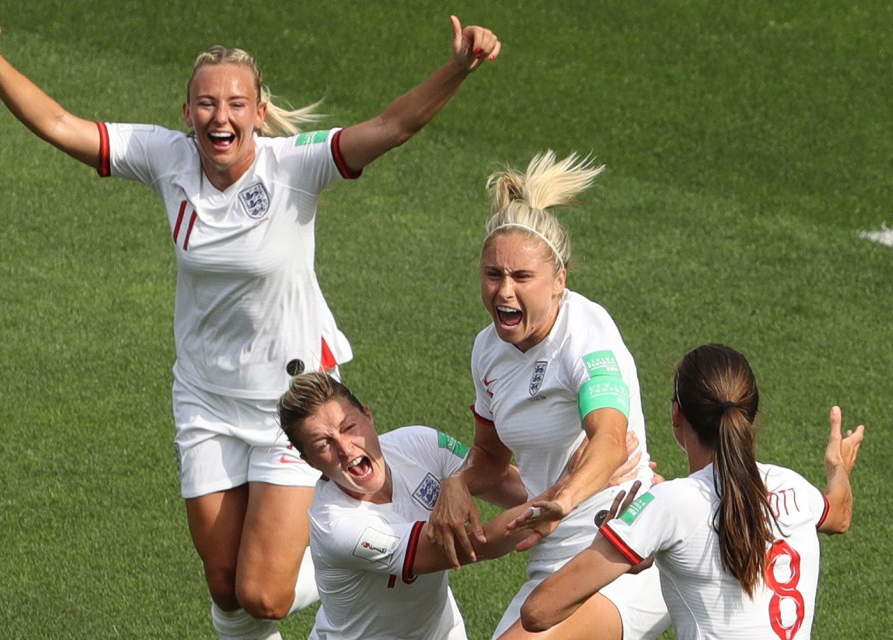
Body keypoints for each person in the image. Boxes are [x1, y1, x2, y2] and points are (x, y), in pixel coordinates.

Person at [0, 5, 501, 639]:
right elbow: (58, 123)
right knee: (224, 587)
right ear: (187, 114)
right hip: (204, 399)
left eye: (237, 103)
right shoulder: (166, 159)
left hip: (295, 405)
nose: (221, 116)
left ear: (258, 112)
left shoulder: (296, 166)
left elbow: (393, 124)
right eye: (206, 104)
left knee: (263, 593)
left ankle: (351, 557)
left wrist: (457, 67)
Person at [426, 151, 671, 639]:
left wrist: (566, 499)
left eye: (522, 278)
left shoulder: (586, 333)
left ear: (559, 281)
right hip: (552, 555)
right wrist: (458, 483)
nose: (504, 292)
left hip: (622, 546)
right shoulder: (487, 351)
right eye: (493, 275)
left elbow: (609, 439)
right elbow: (491, 460)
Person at [520, 343, 865, 639]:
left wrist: (607, 544)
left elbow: (538, 612)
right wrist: (838, 468)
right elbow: (841, 513)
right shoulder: (794, 487)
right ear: (751, 417)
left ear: (676, 414)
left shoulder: (669, 504)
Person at [276, 371, 538, 639]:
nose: (345, 448)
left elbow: (505, 482)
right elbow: (471, 546)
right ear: (309, 461)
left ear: (368, 415)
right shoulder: (337, 525)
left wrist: (458, 480)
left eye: (349, 427)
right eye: (323, 444)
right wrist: (558, 502)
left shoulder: (419, 443)